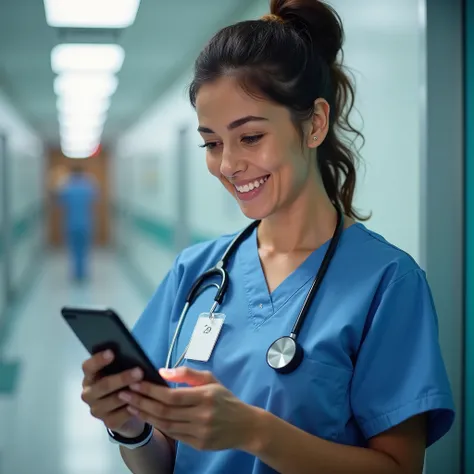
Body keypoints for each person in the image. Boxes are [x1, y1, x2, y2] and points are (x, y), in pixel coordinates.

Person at [80, 1, 455, 473]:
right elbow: (166, 462)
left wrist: (254, 431)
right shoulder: (195, 272)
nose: (228, 164)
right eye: (212, 143)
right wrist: (131, 428)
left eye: (250, 137)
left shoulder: (387, 283)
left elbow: (400, 468)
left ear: (315, 123)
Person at [57, 166, 97, 281]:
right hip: (86, 224)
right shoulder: (88, 186)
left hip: (71, 224)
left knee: (73, 250)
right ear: (82, 173)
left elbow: (59, 202)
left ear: (72, 174)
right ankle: (82, 274)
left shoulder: (67, 187)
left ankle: (76, 274)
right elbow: (95, 198)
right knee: (84, 250)